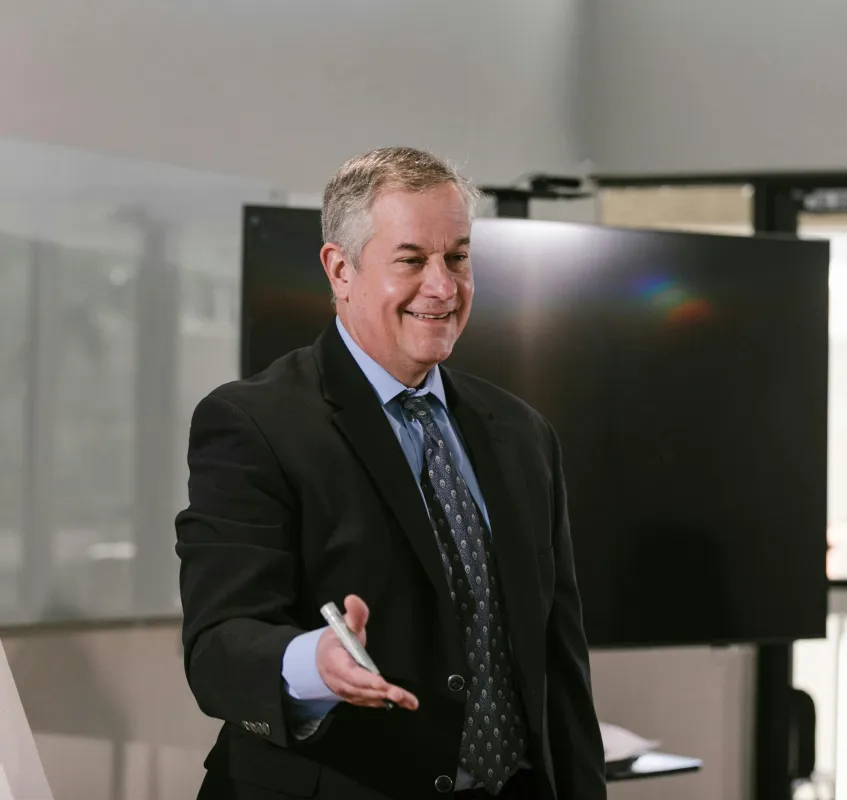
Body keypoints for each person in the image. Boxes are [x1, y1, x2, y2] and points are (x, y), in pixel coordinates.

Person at [175, 146, 607, 800]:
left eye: (457, 257)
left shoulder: (522, 434)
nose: (443, 287)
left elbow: (561, 668)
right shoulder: (250, 424)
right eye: (411, 260)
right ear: (340, 269)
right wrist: (315, 665)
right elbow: (219, 647)